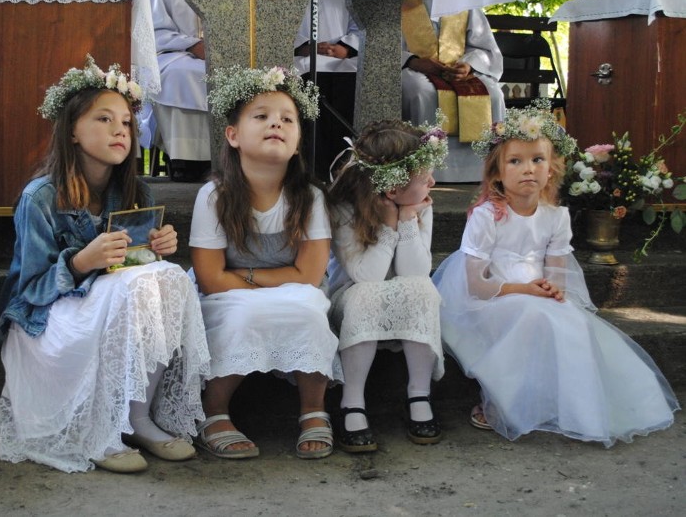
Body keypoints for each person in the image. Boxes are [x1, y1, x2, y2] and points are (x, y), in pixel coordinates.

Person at [0, 57, 210, 474]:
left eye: (127, 123)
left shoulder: (137, 192)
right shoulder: (40, 197)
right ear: (72, 132)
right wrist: (80, 262)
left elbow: (140, 272)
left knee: (167, 277)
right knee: (138, 285)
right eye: (104, 119)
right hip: (50, 318)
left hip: (109, 304)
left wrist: (157, 249)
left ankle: (138, 416)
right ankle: (100, 429)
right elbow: (28, 290)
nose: (120, 130)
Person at [431, 100, 680, 446]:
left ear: (552, 168)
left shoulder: (555, 217)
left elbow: (557, 270)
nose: (528, 169)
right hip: (491, 295)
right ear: (497, 172)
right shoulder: (487, 216)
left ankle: (571, 406)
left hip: (535, 290)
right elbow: (476, 284)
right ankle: (501, 402)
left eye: (538, 160)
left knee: (571, 322)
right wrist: (525, 290)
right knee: (532, 317)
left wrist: (553, 289)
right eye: (515, 161)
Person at [190, 65, 341, 460]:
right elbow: (209, 279)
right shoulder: (214, 196)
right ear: (233, 135)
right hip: (226, 300)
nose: (276, 123)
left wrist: (246, 274)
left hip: (284, 291)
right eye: (261, 116)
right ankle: (214, 410)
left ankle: (313, 409)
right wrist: (275, 282)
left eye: (287, 119)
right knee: (245, 314)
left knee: (309, 309)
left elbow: (309, 275)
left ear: (296, 143)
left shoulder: (309, 198)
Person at [326, 118, 447, 452]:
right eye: (426, 177)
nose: (433, 182)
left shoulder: (418, 207)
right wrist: (389, 226)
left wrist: (407, 220)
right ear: (392, 188)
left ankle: (419, 394)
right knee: (366, 294)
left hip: (405, 292)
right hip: (350, 296)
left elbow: (416, 272)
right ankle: (352, 400)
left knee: (424, 290)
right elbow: (367, 276)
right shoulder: (344, 209)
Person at [401, 0, 505, 183]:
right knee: (421, 91)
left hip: (460, 71)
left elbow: (486, 49)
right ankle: (425, 171)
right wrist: (413, 61)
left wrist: (468, 64)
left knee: (493, 93)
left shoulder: (464, 1)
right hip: (414, 69)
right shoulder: (395, 1)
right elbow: (383, 47)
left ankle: (486, 170)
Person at [292, 0, 362, 180]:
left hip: (342, 60)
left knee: (352, 83)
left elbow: (359, 25)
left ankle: (345, 162)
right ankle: (317, 165)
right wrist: (306, 47)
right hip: (303, 59)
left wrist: (346, 47)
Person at [147, 0, 210, 182]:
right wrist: (191, 44)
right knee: (180, 76)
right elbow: (153, 31)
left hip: (224, 56)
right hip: (175, 53)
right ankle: (184, 162)